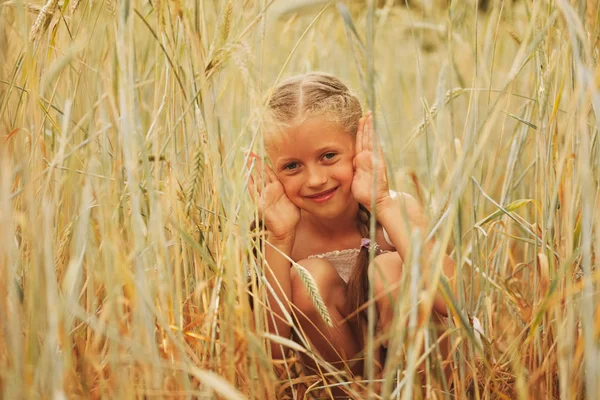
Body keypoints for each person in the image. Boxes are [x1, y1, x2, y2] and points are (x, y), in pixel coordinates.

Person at [247, 72, 456, 379]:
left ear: (359, 148)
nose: (316, 180)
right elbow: (269, 353)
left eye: (329, 156)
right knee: (309, 277)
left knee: (389, 269)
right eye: (292, 166)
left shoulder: (397, 208)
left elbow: (451, 301)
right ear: (270, 169)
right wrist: (279, 238)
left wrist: (382, 202)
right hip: (341, 381)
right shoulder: (277, 233)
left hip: (422, 375)